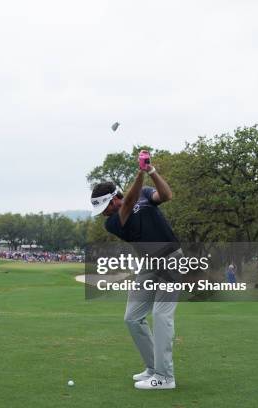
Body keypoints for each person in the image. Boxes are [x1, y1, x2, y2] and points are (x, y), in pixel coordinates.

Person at [90, 150, 180, 390]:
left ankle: (165, 377)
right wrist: (140, 172)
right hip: (149, 266)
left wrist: (151, 171)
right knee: (132, 317)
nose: (104, 214)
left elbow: (166, 195)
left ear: (113, 198)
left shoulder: (144, 192)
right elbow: (128, 203)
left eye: (105, 207)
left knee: (161, 315)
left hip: (171, 259)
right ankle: (153, 368)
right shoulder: (112, 222)